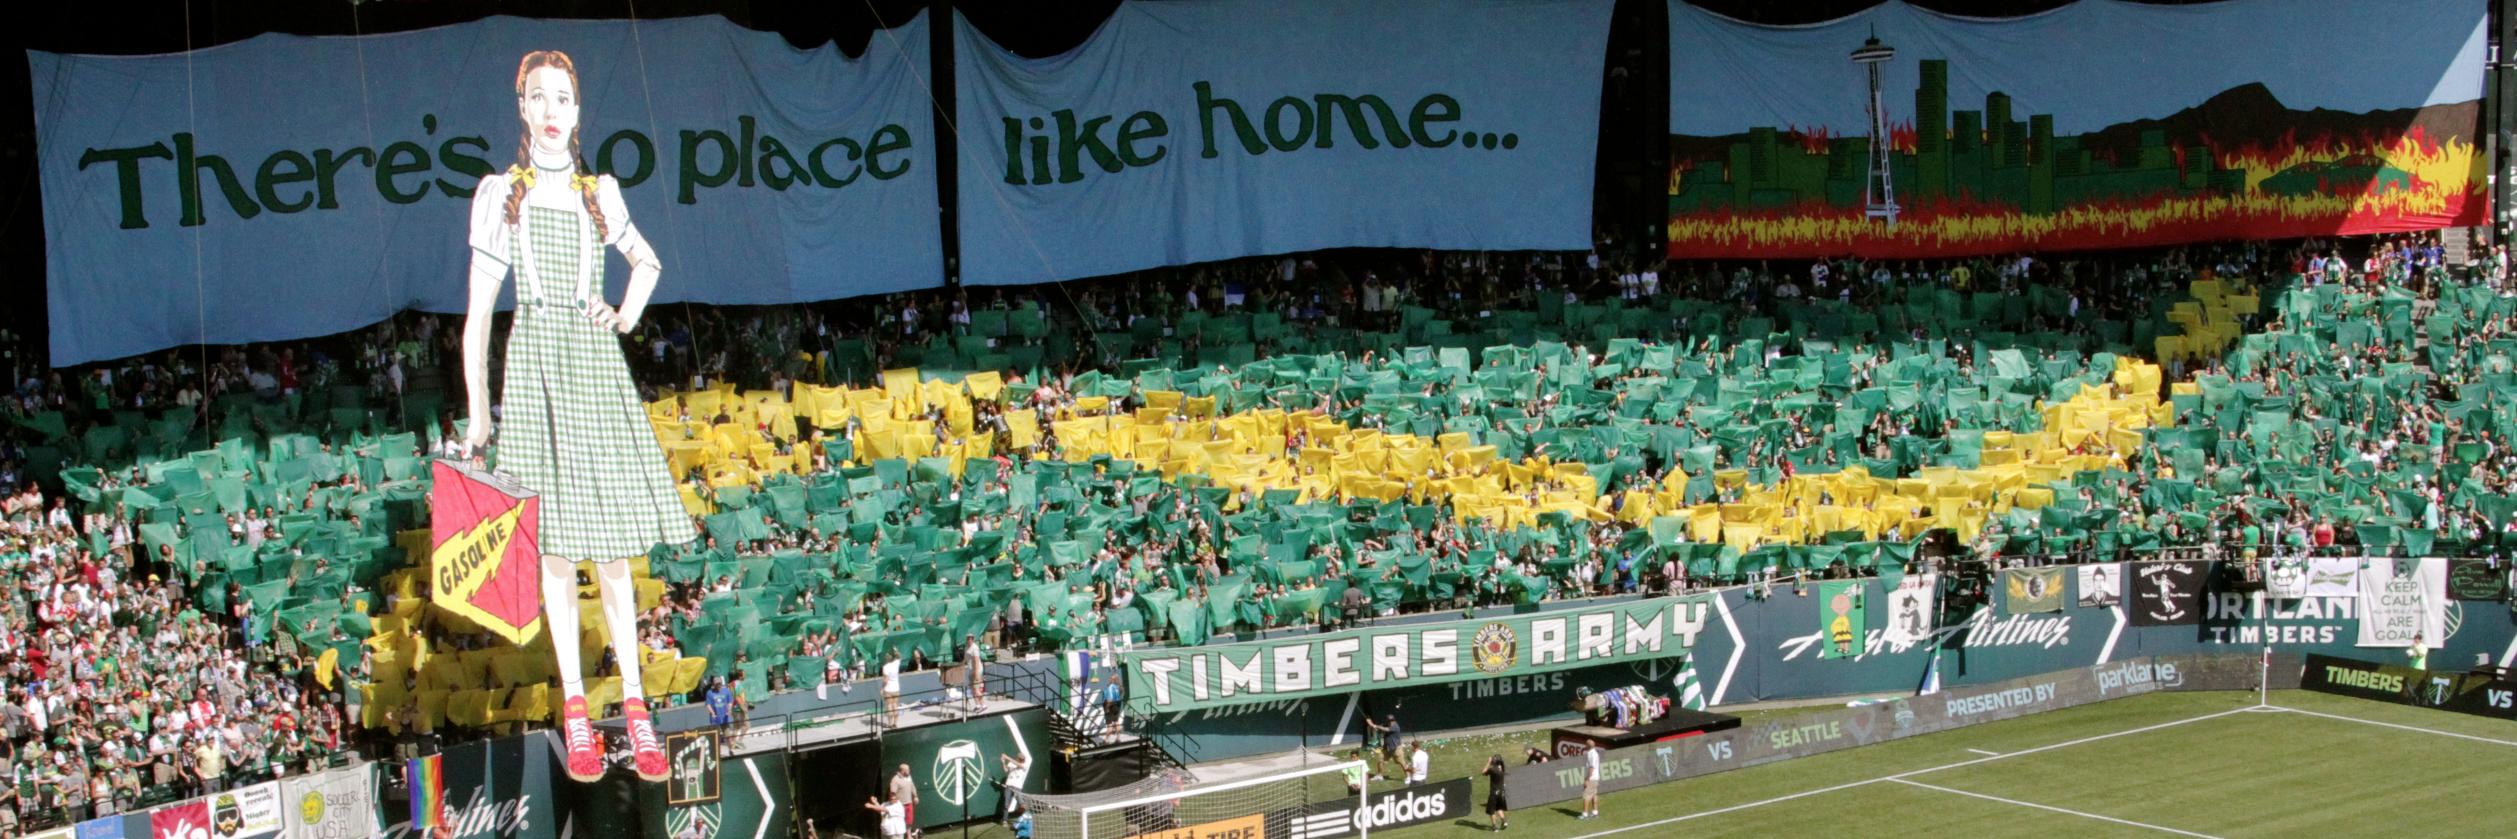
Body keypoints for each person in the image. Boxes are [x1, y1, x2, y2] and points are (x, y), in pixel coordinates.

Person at [462, 48, 697, 784]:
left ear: (578, 110)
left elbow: (648, 262)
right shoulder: (502, 193)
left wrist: (622, 314)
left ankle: (633, 701)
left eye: (565, 97)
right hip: (534, 362)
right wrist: (477, 414)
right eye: (540, 97)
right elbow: (475, 320)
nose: (554, 109)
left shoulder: (602, 191)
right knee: (557, 553)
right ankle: (574, 705)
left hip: (592, 366)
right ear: (522, 108)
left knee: (616, 551)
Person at [1364, 713, 1403, 780]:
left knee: (1401, 762)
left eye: (1392, 720)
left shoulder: (1395, 726)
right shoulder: (1386, 725)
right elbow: (1377, 729)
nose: (1391, 722)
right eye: (1390, 721)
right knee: (1380, 761)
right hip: (1386, 748)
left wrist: (1375, 726)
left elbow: (1386, 729)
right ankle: (1380, 775)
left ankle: (1409, 776)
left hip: (1395, 748)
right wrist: (1371, 724)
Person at [997, 752, 1030, 826]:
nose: (1022, 760)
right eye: (1021, 759)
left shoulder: (1025, 764)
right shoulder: (1011, 763)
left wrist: (1007, 757)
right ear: (1018, 758)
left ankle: (1026, 818)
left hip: (1017, 787)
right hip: (1009, 786)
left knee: (1022, 804)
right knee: (1006, 804)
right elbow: (1006, 770)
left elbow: (1019, 765)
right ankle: (1005, 820)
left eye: (1023, 759)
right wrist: (1003, 762)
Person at [1483, 754, 1510, 831]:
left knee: (1491, 811)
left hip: (1494, 793)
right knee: (1498, 807)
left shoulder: (1493, 769)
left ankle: (1494, 827)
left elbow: (1483, 772)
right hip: (1501, 792)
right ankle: (1504, 821)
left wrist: (1488, 762)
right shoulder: (1502, 769)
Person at [889, 764, 919, 829]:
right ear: (903, 771)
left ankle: (909, 836)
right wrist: (894, 803)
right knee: (900, 821)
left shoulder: (909, 777)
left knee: (909, 821)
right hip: (900, 805)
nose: (909, 771)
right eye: (908, 770)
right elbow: (892, 792)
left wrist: (915, 796)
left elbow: (912, 786)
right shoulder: (895, 779)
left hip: (909, 803)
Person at [1579, 742, 1601, 820]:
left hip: (1591, 778)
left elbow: (1591, 767)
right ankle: (1595, 813)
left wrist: (1587, 779)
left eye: (1586, 744)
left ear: (1588, 745)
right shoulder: (1595, 753)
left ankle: (1585, 814)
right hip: (1596, 778)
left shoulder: (1591, 754)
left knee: (1586, 796)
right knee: (1594, 795)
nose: (1585, 746)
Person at [881, 651, 903, 727]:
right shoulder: (896, 663)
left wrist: (882, 688)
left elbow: (886, 680)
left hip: (888, 689)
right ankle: (895, 723)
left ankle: (890, 723)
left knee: (889, 706)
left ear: (886, 659)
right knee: (895, 705)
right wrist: (896, 650)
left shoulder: (885, 667)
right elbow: (900, 656)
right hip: (896, 688)